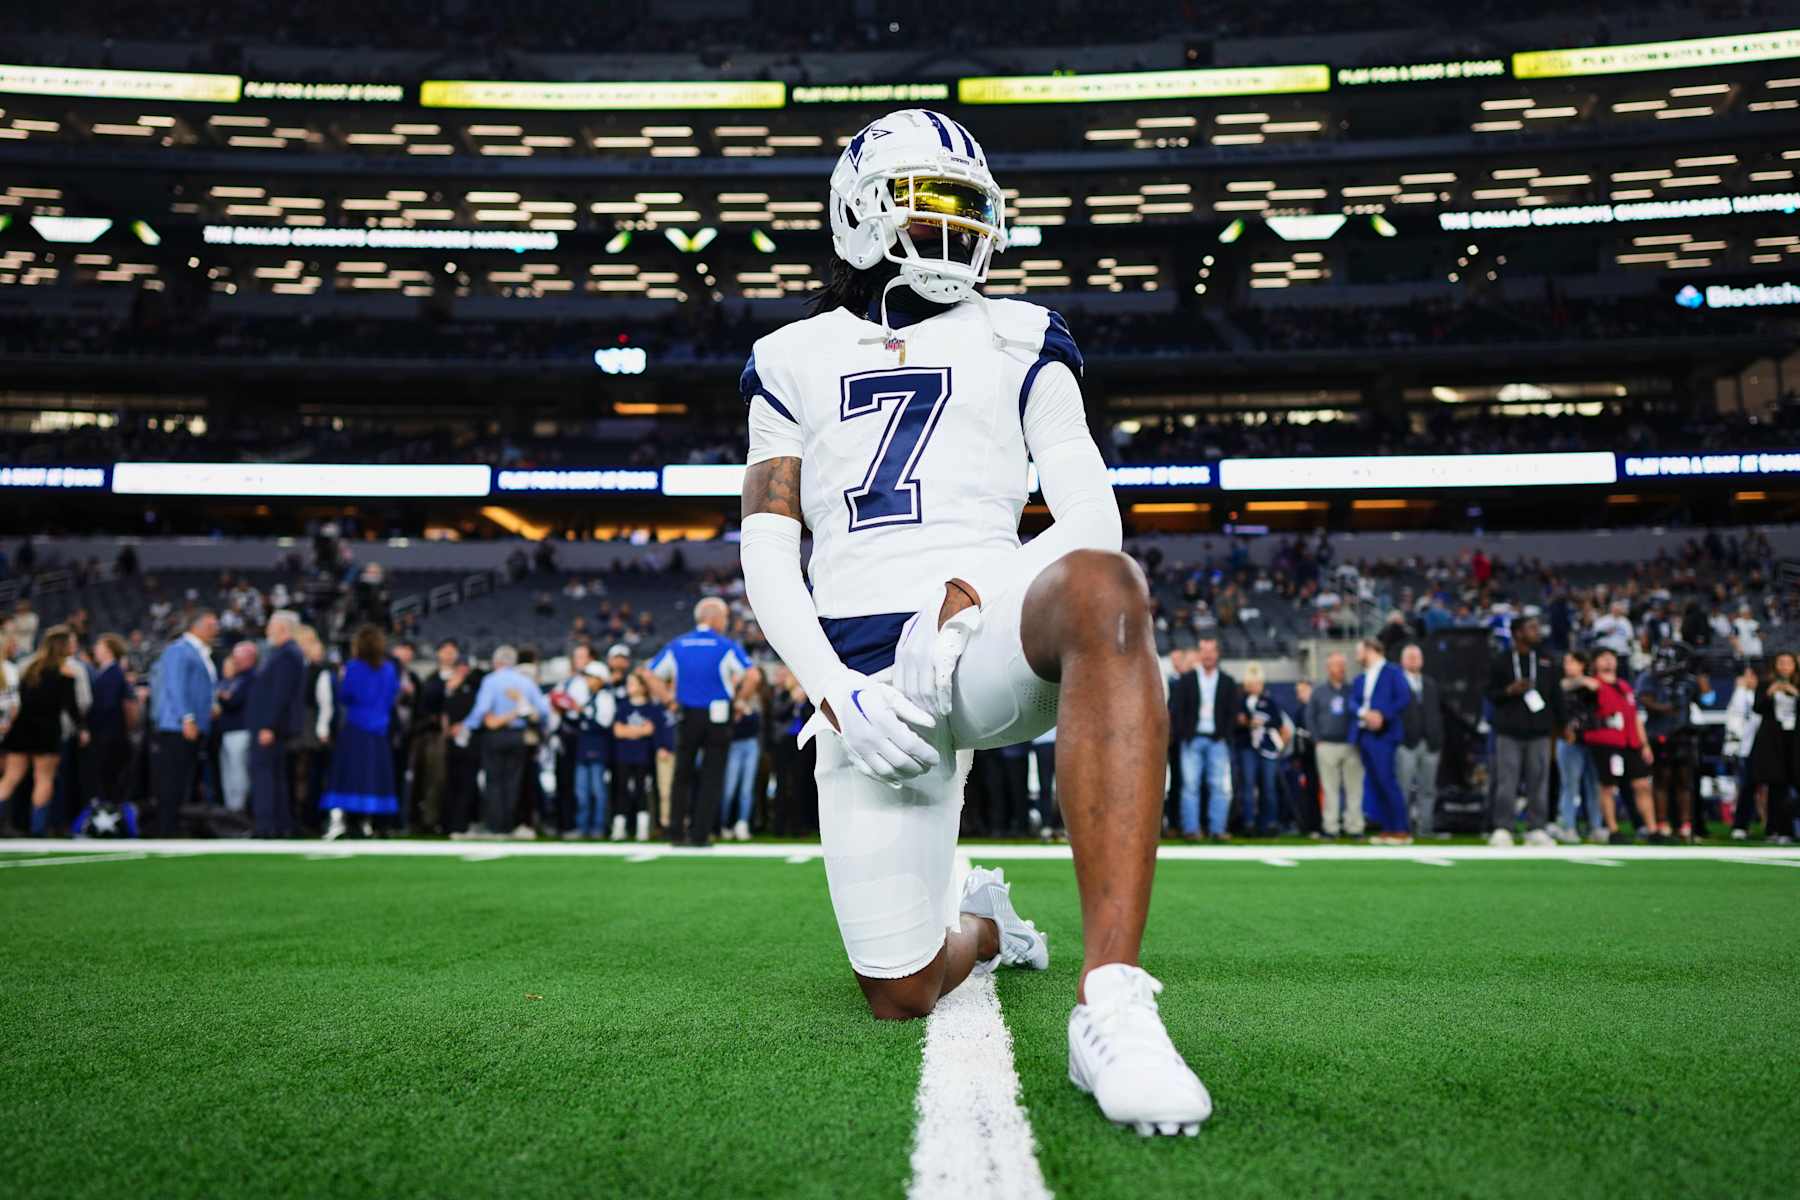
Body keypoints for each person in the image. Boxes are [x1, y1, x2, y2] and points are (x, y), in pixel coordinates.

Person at [738, 108, 1210, 1133]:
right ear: (858, 213)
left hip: (984, 641)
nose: (955, 227)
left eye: (968, 206)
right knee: (898, 990)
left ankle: (1115, 1002)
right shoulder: (788, 358)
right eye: (929, 199)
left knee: (1104, 588)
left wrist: (979, 594)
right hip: (862, 681)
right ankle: (987, 925)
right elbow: (768, 550)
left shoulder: (1023, 332)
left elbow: (1093, 516)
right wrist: (834, 687)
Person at [645, 597, 755, 847]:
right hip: (718, 715)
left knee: (681, 773)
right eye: (724, 617)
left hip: (686, 714)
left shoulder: (677, 644)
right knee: (711, 775)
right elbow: (752, 675)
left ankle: (675, 832)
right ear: (714, 617)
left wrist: (669, 701)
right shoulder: (725, 645)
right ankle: (700, 834)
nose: (726, 622)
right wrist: (739, 702)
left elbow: (650, 674)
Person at [455, 644, 550, 838]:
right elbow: (543, 711)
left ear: (496, 662)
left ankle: (495, 826)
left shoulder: (492, 680)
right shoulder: (524, 681)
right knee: (513, 782)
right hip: (518, 735)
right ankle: (508, 825)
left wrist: (466, 726)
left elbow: (482, 709)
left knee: (494, 781)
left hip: (495, 735)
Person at [0, 625, 86, 836]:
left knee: (10, 778)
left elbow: (19, 700)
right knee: (43, 779)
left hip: (21, 729)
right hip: (46, 731)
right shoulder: (66, 671)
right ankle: (37, 829)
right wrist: (83, 729)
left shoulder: (30, 668)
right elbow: (72, 708)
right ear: (63, 646)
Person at [1484, 615, 1561, 848]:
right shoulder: (1502, 660)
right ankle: (1503, 828)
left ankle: (1536, 828)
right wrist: (1509, 690)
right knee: (1507, 782)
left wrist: (1563, 725)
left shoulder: (1546, 660)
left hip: (1539, 731)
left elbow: (1556, 696)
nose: (1537, 631)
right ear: (1518, 633)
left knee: (1539, 781)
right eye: (1532, 628)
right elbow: (1489, 693)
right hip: (1509, 731)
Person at [320, 625, 402, 840]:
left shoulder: (354, 667)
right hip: (380, 729)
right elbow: (393, 695)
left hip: (357, 728)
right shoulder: (389, 668)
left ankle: (353, 822)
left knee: (353, 776)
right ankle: (380, 824)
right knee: (378, 776)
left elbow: (346, 695)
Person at [150, 610, 218, 836]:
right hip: (177, 727)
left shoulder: (198, 653)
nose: (215, 630)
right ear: (195, 627)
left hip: (190, 727)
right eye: (210, 625)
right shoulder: (179, 650)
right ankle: (165, 829)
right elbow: (175, 687)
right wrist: (186, 717)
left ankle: (172, 825)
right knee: (172, 779)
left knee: (182, 780)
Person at [1579, 648, 1656, 842]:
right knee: (1608, 786)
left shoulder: (1624, 686)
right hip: (1607, 741)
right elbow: (1570, 685)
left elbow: (1636, 716)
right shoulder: (1593, 685)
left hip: (1630, 741)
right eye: (1603, 658)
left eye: (1611, 658)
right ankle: (1613, 829)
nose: (1608, 662)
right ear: (1595, 663)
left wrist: (1644, 744)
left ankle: (1652, 829)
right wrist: (1584, 678)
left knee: (1642, 784)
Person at [1168, 636, 1241, 841]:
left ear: (1217, 654)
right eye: (1204, 651)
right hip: (1192, 739)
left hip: (1217, 740)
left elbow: (1231, 711)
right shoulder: (1187, 680)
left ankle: (1217, 829)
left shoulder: (1227, 681)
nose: (1208, 655)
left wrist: (1224, 734)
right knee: (1190, 786)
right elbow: (1177, 709)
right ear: (1200, 654)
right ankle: (1191, 829)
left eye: (1211, 651)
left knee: (1218, 786)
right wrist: (1184, 734)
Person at [245, 611, 306, 838]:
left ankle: (266, 826)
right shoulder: (284, 653)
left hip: (270, 728)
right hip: (272, 727)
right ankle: (279, 825)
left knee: (266, 775)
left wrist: (268, 725)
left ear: (283, 629)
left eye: (271, 626)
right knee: (275, 776)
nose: (267, 630)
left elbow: (280, 694)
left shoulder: (286, 655)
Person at [1350, 636, 1411, 844]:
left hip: (1384, 734)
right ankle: (1387, 828)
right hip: (1365, 733)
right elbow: (1352, 701)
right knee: (1375, 783)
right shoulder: (1361, 678)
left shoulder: (1392, 672)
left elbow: (1403, 697)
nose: (1356, 655)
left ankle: (1400, 829)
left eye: (1359, 650)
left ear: (1370, 649)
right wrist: (1363, 713)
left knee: (1387, 781)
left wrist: (1382, 715)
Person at [1305, 651, 1363, 840]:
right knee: (1330, 789)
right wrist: (1317, 739)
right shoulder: (1319, 691)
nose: (1341, 669)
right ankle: (1331, 827)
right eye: (1337, 665)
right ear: (1329, 668)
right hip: (1327, 744)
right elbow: (1310, 716)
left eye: (1343, 665)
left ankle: (1354, 827)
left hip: (1350, 744)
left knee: (1354, 789)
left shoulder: (1353, 690)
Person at [1395, 644, 1445, 839]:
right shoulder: (1397, 683)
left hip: (1430, 743)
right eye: (1410, 656)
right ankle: (1403, 827)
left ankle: (1426, 828)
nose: (1414, 660)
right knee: (1403, 788)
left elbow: (1437, 713)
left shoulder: (1430, 683)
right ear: (1402, 661)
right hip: (1406, 743)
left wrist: (1438, 737)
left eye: (1417, 656)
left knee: (1428, 789)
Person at [1749, 652, 1800, 845]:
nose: (1785, 667)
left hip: (1795, 742)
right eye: (1782, 663)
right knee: (1777, 787)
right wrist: (1770, 693)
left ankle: (1791, 827)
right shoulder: (1765, 684)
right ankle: (1776, 829)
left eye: (1789, 663)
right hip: (1774, 742)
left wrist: (1795, 693)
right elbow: (1757, 708)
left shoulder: (1798, 685)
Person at [1235, 662, 1289, 837]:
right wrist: (1245, 723)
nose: (1254, 687)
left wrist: (1262, 723)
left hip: (1267, 748)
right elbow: (1235, 724)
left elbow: (1279, 723)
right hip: (1247, 748)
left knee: (1269, 786)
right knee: (1248, 786)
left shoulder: (1269, 702)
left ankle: (1270, 823)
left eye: (1257, 683)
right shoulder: (1240, 701)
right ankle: (1249, 823)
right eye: (1251, 683)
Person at [1553, 650, 1602, 844]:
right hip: (1569, 739)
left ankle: (1596, 827)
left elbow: (1597, 687)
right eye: (1566, 662)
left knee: (1594, 786)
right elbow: (1562, 686)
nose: (1567, 665)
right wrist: (1582, 681)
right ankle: (1568, 826)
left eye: (1572, 662)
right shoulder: (1562, 683)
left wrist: (1585, 681)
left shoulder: (1592, 683)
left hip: (1592, 737)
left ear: (1582, 664)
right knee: (1569, 785)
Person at [610, 669, 659, 841]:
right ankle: (619, 827)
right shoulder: (623, 706)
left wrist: (629, 731)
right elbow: (617, 731)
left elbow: (650, 729)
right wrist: (638, 731)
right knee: (621, 789)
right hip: (623, 755)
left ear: (642, 687)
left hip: (642, 757)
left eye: (632, 683)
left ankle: (642, 828)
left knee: (641, 791)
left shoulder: (650, 708)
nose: (629, 686)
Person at [87, 633, 133, 809]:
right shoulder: (107, 672)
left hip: (108, 733)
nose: (95, 650)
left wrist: (89, 719)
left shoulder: (112, 673)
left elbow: (108, 705)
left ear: (109, 651)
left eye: (99, 647)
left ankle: (108, 814)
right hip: (108, 732)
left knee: (108, 775)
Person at [214, 640, 259, 815]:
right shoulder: (236, 678)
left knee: (238, 772)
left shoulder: (252, 677)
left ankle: (238, 811)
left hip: (241, 730)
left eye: (238, 657)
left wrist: (223, 697)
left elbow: (234, 700)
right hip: (228, 730)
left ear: (250, 658)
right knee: (228, 772)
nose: (235, 660)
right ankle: (230, 810)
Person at [721, 677, 764, 841]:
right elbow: (725, 726)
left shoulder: (753, 699)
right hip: (734, 745)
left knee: (746, 789)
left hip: (750, 745)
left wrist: (746, 711)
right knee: (729, 789)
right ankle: (725, 824)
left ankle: (742, 823)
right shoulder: (726, 698)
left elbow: (756, 724)